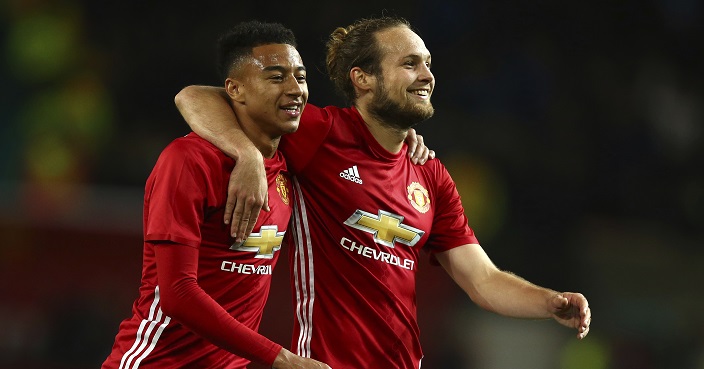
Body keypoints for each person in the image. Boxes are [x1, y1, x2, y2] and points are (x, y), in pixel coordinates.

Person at [175, 16, 591, 369]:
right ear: (363, 79)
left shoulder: (430, 174)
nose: (427, 76)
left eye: (428, 64)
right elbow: (195, 96)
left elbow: (482, 280)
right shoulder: (319, 133)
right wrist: (246, 154)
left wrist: (548, 301)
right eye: (410, 64)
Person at [101, 21, 331, 369]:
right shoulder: (188, 160)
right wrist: (280, 358)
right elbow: (178, 295)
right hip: (157, 362)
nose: (295, 89)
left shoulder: (289, 163)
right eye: (275, 77)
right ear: (234, 90)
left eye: (300, 77)